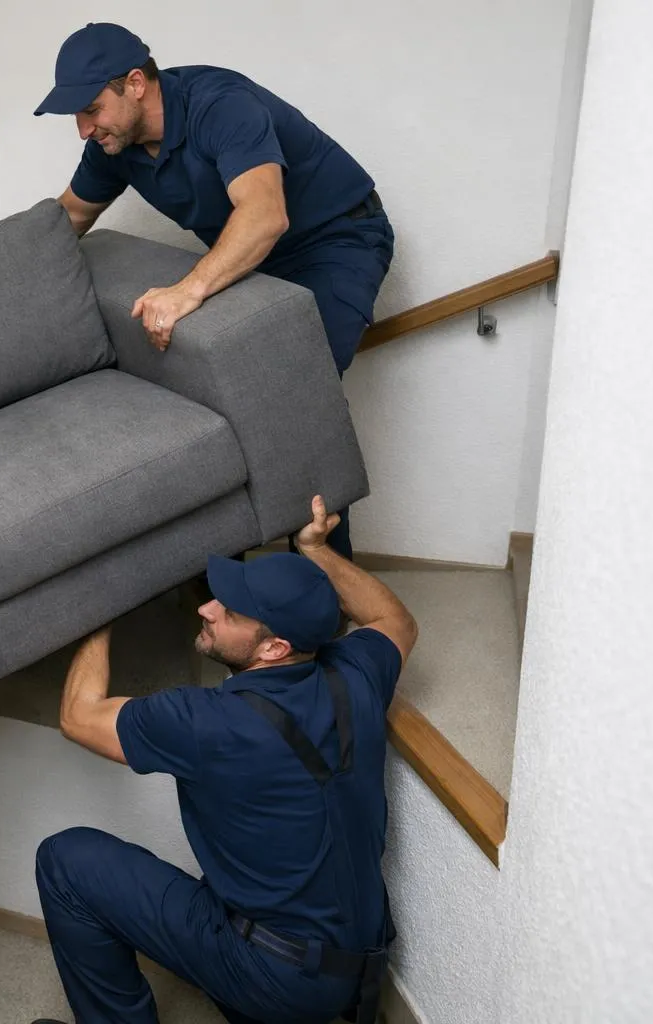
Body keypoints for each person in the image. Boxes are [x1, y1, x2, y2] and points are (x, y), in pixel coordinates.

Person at [31, 496, 417, 1024]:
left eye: (229, 612)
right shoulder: (355, 675)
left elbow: (79, 716)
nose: (206, 608)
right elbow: (394, 618)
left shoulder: (205, 721)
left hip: (278, 976)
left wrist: (100, 614)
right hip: (357, 967)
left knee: (65, 862)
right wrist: (316, 549)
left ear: (274, 648)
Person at [34, 23, 393, 560]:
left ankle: (326, 590)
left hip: (336, 242)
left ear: (135, 83)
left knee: (298, 396)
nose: (84, 129)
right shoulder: (116, 145)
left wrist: (187, 292)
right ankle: (226, 578)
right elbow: (70, 216)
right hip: (253, 256)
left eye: (91, 109)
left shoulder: (221, 106)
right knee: (211, 391)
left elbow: (265, 215)